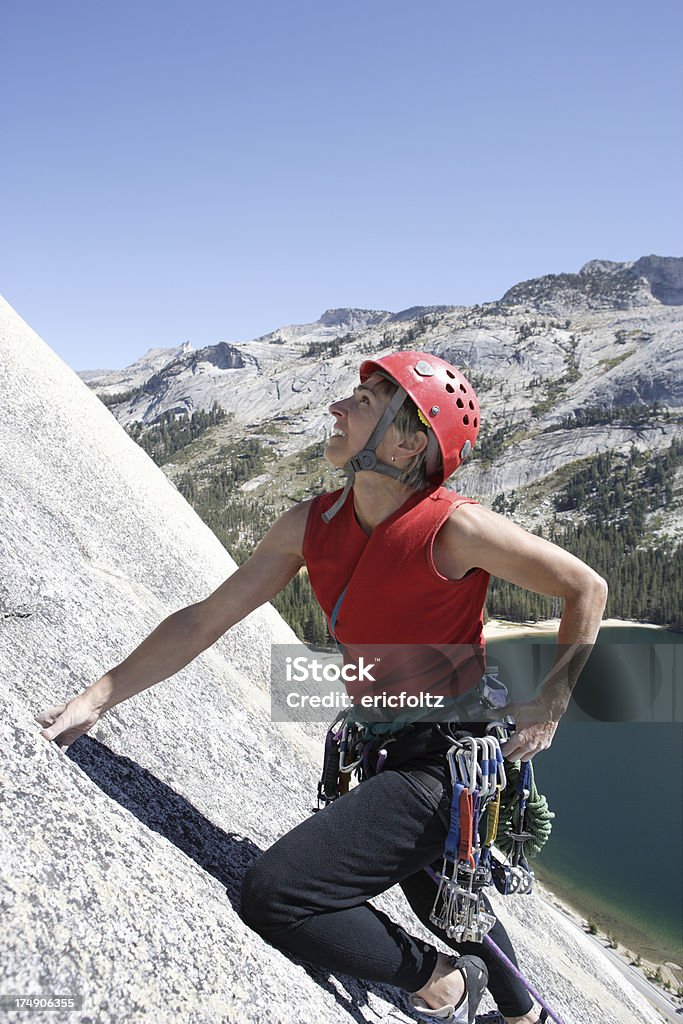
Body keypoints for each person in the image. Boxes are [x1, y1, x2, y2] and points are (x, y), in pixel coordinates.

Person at [37, 350, 608, 1024]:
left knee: (277, 894)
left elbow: (585, 587)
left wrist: (548, 705)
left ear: (407, 437)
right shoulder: (310, 525)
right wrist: (96, 698)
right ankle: (523, 1014)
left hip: (443, 760)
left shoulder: (455, 528)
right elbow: (202, 621)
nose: (335, 409)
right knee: (441, 897)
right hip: (388, 751)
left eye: (361, 402)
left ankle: (445, 982)